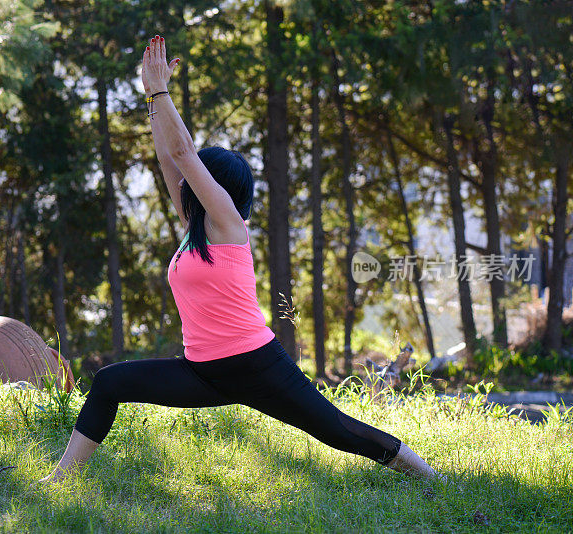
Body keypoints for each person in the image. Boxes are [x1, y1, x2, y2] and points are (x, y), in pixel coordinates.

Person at [41, 35, 441, 484]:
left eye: (199, 179)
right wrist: (153, 105)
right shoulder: (195, 227)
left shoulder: (228, 226)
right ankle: (61, 479)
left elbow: (183, 155)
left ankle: (432, 478)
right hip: (201, 371)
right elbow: (169, 159)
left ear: (217, 187)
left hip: (256, 365)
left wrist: (160, 92)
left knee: (336, 430)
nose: (187, 185)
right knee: (110, 382)